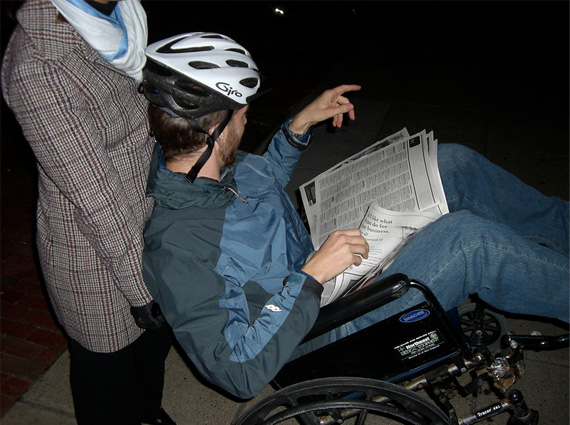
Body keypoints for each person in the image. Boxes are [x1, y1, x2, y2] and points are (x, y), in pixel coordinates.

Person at [140, 32, 569, 400]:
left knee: (453, 163)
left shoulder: (210, 169)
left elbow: (261, 179)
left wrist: (298, 127)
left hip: (323, 278)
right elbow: (236, 371)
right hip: (318, 335)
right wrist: (308, 279)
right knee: (469, 242)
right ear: (215, 132)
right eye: (243, 113)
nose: (248, 117)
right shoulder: (177, 248)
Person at [1, 1, 175, 424]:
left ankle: (147, 414)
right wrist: (142, 286)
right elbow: (96, 197)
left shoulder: (120, 18)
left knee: (153, 354)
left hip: (154, 222)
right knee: (108, 377)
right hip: (97, 254)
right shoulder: (40, 64)